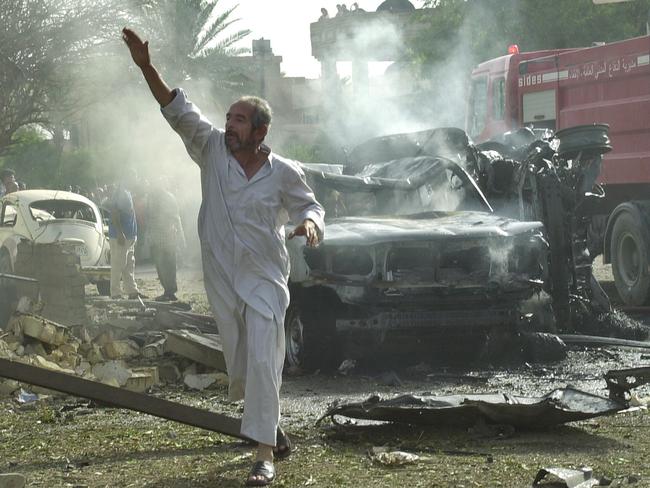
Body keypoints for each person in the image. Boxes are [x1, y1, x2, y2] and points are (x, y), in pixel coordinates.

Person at [122, 28, 325, 487]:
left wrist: (310, 224)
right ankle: (269, 426)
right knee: (240, 362)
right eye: (228, 117)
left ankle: (264, 454)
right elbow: (176, 108)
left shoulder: (284, 172)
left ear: (260, 130)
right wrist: (145, 66)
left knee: (263, 358)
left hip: (266, 276)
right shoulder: (211, 148)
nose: (229, 124)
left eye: (238, 119)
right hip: (222, 279)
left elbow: (309, 205)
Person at [108, 169, 146, 300]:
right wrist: (120, 233)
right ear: (128, 177)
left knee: (129, 264)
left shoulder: (127, 191)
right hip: (121, 236)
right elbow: (114, 212)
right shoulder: (121, 192)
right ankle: (115, 293)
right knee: (118, 265)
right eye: (135, 177)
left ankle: (132, 291)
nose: (137, 180)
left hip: (129, 236)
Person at [146, 179, 184, 301]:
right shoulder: (154, 198)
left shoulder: (166, 198)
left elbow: (174, 217)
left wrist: (179, 235)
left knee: (167, 266)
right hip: (159, 238)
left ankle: (169, 291)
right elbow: (149, 218)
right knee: (164, 266)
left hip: (166, 238)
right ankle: (169, 291)